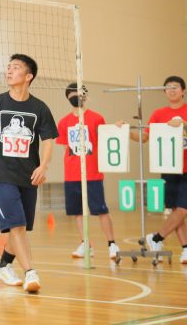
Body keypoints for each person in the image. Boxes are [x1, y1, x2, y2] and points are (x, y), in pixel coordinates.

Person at [0, 54, 57, 293]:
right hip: (2, 175)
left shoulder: (39, 108)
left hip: (29, 175)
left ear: (28, 77)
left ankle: (3, 266)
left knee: (21, 227)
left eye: (15, 68)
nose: (9, 71)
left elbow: (48, 139)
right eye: (8, 67)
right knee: (16, 226)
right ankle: (31, 272)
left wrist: (43, 166)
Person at [55, 83, 118, 260]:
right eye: (72, 93)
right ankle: (86, 244)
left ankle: (112, 244)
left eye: (80, 92)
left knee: (101, 210)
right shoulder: (64, 122)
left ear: (86, 96)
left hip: (92, 172)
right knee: (77, 212)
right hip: (72, 174)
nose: (76, 95)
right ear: (68, 98)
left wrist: (118, 127)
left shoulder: (97, 118)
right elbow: (65, 148)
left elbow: (108, 136)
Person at [139, 76, 187, 264]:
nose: (172, 90)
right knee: (176, 210)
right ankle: (185, 249)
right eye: (168, 87)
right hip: (169, 167)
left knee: (183, 209)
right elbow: (144, 137)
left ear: (183, 90)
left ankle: (156, 237)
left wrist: (183, 123)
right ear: (164, 92)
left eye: (175, 87)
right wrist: (124, 130)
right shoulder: (158, 114)